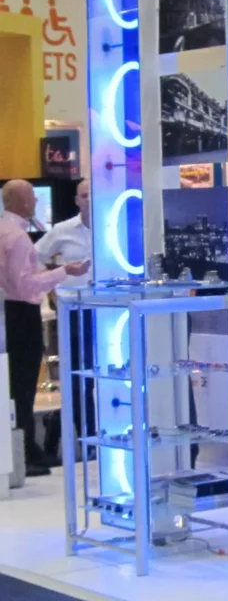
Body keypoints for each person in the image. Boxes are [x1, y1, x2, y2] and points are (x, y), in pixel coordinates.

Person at [0, 180, 90, 475]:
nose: (36, 203)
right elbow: (23, 282)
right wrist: (65, 271)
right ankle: (26, 452)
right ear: (23, 203)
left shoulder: (7, 232)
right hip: (22, 313)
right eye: (32, 198)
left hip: (15, 313)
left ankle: (27, 450)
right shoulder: (17, 237)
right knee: (23, 386)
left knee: (20, 385)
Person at [35, 178, 94, 439]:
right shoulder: (62, 230)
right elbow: (32, 258)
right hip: (74, 313)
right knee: (78, 376)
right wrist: (53, 285)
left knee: (103, 375)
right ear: (76, 200)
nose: (89, 200)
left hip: (110, 311)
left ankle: (86, 433)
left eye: (92, 195)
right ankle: (83, 434)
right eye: (84, 196)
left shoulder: (115, 225)